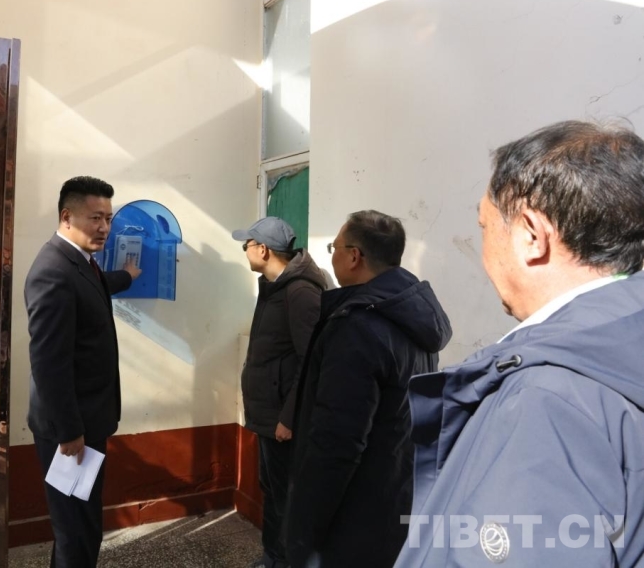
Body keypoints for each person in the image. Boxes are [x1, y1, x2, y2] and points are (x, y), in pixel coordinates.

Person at [395, 121, 644, 566]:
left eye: (484, 225)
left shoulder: (547, 399)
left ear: (531, 235)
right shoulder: (623, 336)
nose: (483, 245)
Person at [285, 210, 452, 568]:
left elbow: (336, 443)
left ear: (354, 256)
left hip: (352, 515)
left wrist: (302, 532)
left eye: (334, 247)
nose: (332, 255)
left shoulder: (358, 327)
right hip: (394, 495)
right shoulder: (411, 313)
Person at [25, 176, 141, 568]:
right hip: (71, 430)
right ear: (66, 216)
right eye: (95, 218)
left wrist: (127, 276)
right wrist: (69, 430)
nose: (105, 227)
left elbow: (97, 285)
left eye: (108, 218)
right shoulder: (53, 271)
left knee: (83, 523)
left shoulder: (80, 262)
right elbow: (48, 362)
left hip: (86, 421)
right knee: (75, 530)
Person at [232, 217, 326, 568]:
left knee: (286, 497)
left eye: (247, 244)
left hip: (283, 421)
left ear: (263, 250)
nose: (245, 250)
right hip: (269, 414)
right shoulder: (274, 286)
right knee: (273, 491)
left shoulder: (300, 292)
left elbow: (311, 362)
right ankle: (273, 557)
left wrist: (289, 417)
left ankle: (285, 560)